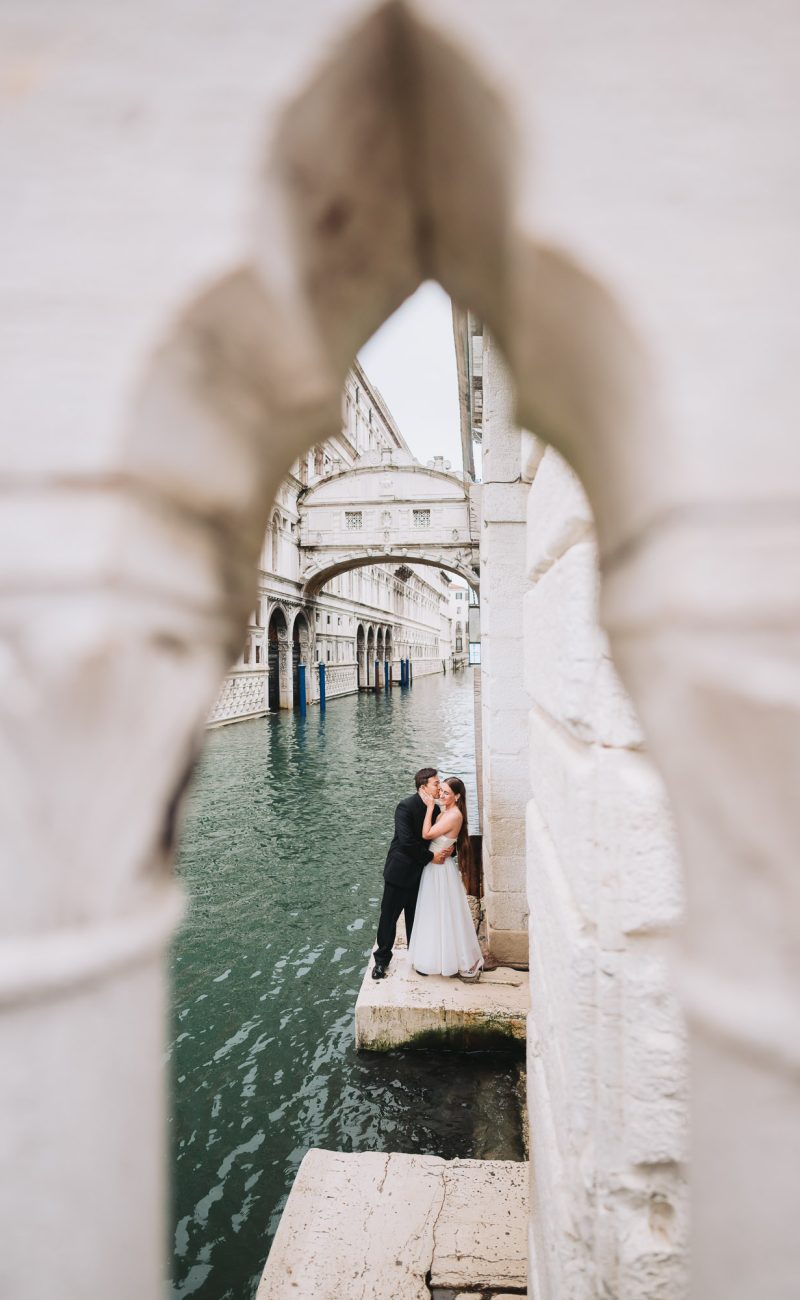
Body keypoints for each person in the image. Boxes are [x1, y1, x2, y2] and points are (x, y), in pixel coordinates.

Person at [372, 767, 452, 980]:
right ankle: (381, 961)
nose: (439, 786)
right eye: (436, 783)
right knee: (388, 918)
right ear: (423, 787)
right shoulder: (405, 807)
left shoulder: (437, 811)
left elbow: (444, 835)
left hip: (423, 874)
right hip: (399, 872)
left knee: (416, 919)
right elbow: (406, 842)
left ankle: (418, 958)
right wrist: (430, 858)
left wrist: (450, 848)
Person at [407, 776, 483, 981]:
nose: (441, 794)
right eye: (440, 790)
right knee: (433, 912)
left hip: (440, 870)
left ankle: (452, 958)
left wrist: (430, 807)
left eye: (446, 792)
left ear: (457, 796)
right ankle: (433, 956)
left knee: (443, 912)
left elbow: (427, 834)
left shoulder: (453, 815)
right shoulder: (447, 811)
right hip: (434, 865)